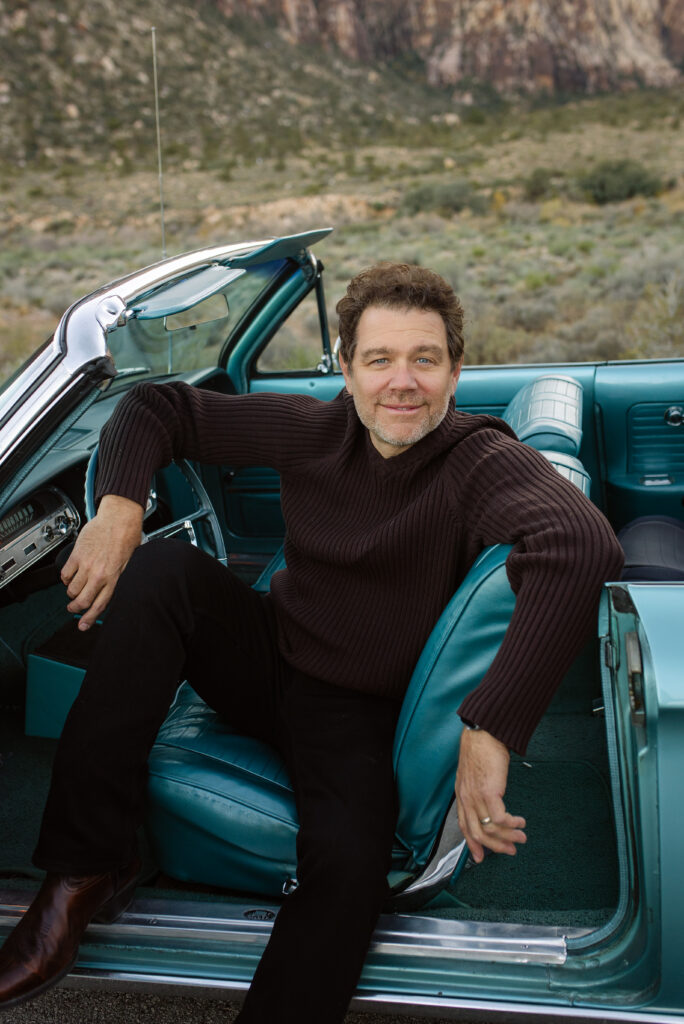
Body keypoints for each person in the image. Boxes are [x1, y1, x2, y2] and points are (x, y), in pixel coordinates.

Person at [0, 262, 624, 1021]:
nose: (402, 383)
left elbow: (582, 545)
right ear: (348, 370)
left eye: (425, 360)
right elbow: (155, 407)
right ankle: (84, 870)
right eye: (379, 359)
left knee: (348, 871)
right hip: (271, 650)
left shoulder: (479, 462)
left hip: (354, 710)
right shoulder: (313, 428)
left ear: (456, 372)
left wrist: (489, 728)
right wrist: (120, 509)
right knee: (162, 571)